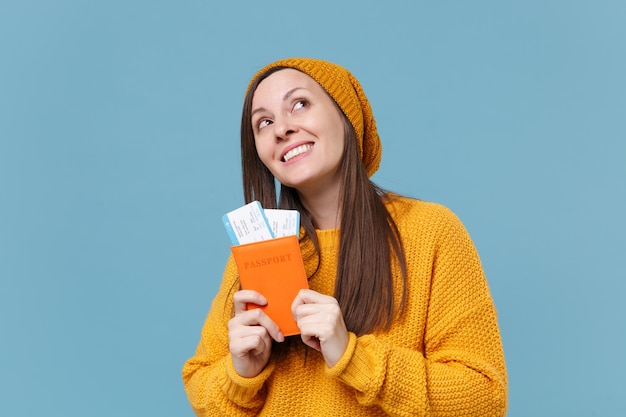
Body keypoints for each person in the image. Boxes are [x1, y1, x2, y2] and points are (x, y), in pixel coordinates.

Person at [182, 57, 508, 416]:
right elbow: (200, 384)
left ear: (346, 114)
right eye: (264, 122)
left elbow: (484, 400)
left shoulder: (431, 231)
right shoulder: (257, 249)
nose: (281, 129)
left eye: (300, 104)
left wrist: (353, 357)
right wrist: (241, 374)